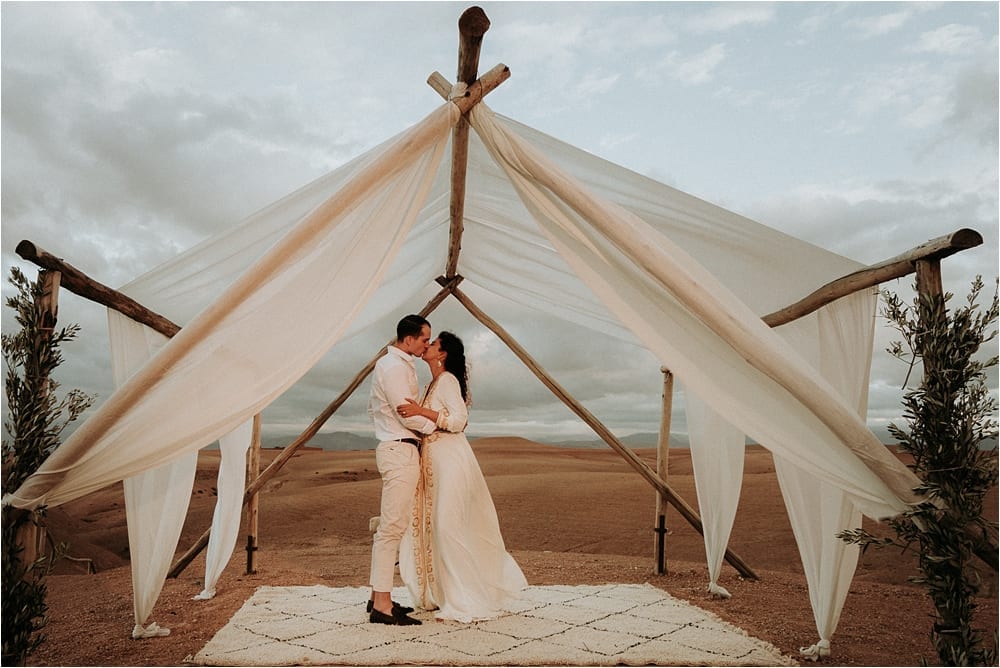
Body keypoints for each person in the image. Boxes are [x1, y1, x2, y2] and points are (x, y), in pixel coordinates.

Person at [396, 331, 527, 622]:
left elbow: (459, 421)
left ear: (442, 354)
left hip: (451, 461)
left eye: (433, 344)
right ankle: (440, 595)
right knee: (434, 527)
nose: (428, 345)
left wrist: (421, 411)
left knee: (447, 527)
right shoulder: (431, 384)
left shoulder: (447, 381)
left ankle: (464, 601)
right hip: (433, 463)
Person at [366, 314, 436, 626]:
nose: (426, 345)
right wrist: (437, 425)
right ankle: (382, 606)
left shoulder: (398, 364)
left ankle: (377, 597)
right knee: (392, 528)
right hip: (399, 448)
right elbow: (406, 413)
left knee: (392, 525)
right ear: (408, 339)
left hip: (401, 447)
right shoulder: (394, 366)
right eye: (424, 339)